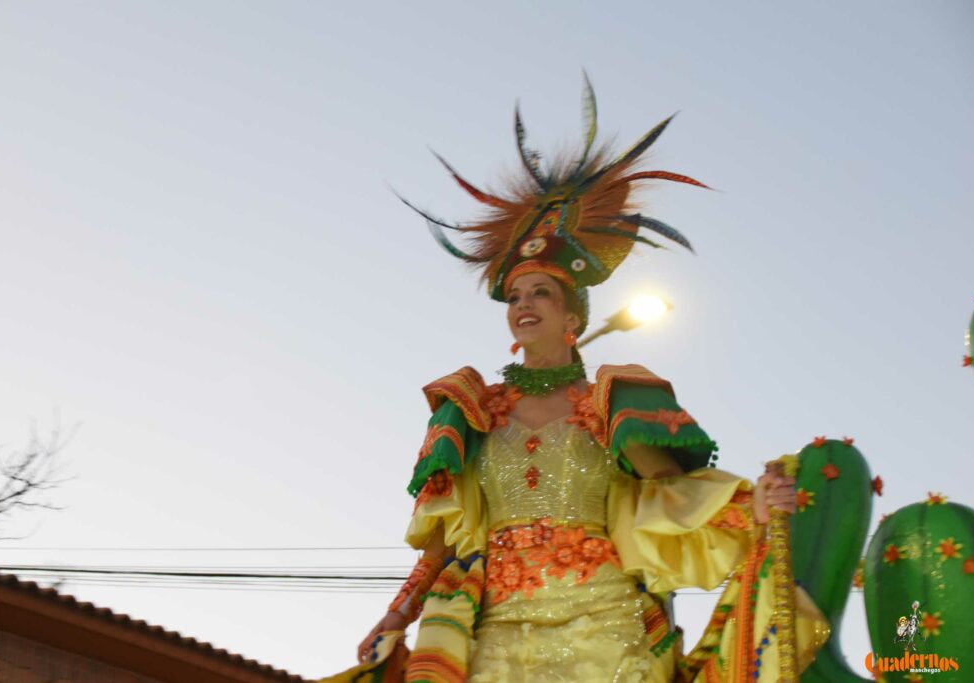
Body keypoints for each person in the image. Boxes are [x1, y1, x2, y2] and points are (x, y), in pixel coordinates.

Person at [324, 80, 829, 683]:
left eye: (541, 293)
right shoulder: (473, 412)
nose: (524, 304)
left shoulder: (610, 403)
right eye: (515, 296)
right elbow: (443, 544)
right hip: (495, 632)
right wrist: (395, 615)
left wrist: (753, 508)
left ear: (572, 319)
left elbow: (674, 493)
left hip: (605, 627)